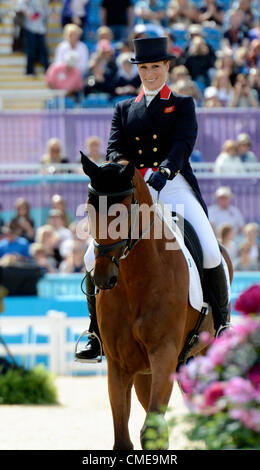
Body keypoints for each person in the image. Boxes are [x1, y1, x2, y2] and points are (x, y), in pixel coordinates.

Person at [76, 36, 231, 362]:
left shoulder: (182, 105)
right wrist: (126, 173)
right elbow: (114, 149)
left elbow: (182, 144)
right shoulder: (123, 109)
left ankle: (222, 323)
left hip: (173, 186)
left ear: (166, 67)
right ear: (139, 69)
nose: (149, 73)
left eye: (155, 67)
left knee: (210, 248)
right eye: (144, 67)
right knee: (93, 255)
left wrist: (165, 170)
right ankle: (94, 331)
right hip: (132, 190)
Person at [16, 0, 50, 75]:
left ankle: (47, 70)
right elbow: (20, 4)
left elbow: (46, 10)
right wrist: (30, 13)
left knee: (43, 50)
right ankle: (30, 71)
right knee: (31, 51)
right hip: (30, 28)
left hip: (41, 29)